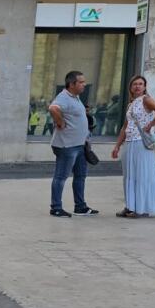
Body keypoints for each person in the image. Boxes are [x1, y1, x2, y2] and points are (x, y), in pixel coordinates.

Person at [112, 74, 155, 218]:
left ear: (144, 87)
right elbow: (125, 126)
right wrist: (117, 145)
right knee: (129, 175)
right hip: (130, 142)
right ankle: (130, 206)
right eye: (134, 84)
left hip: (141, 142)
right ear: (130, 88)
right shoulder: (131, 104)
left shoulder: (146, 100)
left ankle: (142, 208)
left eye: (140, 84)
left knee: (142, 175)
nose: (137, 86)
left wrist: (150, 125)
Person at [47, 69, 97, 217]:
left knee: (80, 176)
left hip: (79, 145)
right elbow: (53, 108)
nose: (84, 85)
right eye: (81, 82)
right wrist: (60, 122)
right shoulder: (64, 97)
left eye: (84, 82)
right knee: (61, 177)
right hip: (66, 145)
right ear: (71, 84)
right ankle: (56, 207)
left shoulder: (75, 97)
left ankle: (80, 206)